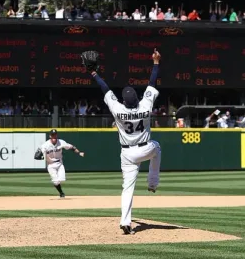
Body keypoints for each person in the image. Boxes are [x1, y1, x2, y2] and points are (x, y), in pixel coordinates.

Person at [82, 49, 162, 235]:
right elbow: (152, 82)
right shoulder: (145, 106)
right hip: (146, 148)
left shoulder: (118, 109)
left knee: (127, 188)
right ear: (136, 99)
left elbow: (105, 88)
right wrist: (156, 63)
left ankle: (125, 222)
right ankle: (152, 183)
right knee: (157, 147)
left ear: (124, 101)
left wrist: (93, 73)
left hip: (127, 153)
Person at [39, 129, 85, 198]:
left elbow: (71, 147)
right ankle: (61, 193)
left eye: (55, 135)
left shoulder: (61, 142)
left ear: (57, 135)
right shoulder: (45, 145)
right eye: (52, 135)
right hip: (51, 165)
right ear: (50, 136)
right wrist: (41, 156)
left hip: (59, 164)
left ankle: (60, 189)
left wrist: (79, 152)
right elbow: (38, 154)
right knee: (56, 182)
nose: (54, 136)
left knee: (61, 179)